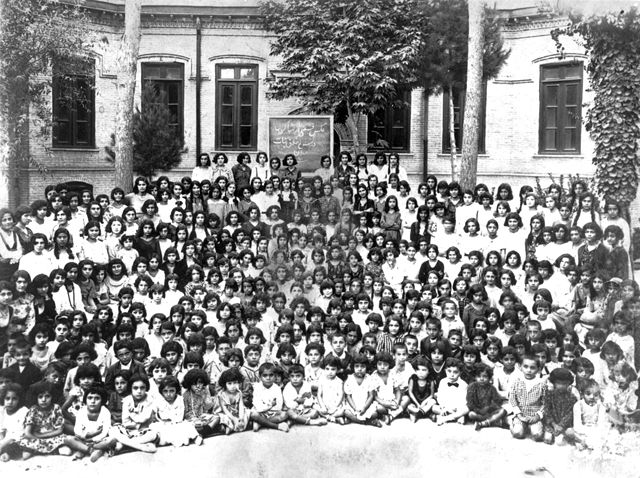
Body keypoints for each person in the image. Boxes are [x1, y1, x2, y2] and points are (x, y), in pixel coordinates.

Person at [250, 362, 289, 432]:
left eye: (271, 375)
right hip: (261, 413)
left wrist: (270, 408)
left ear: (275, 376)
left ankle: (261, 423)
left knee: (285, 414)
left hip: (273, 413)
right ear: (260, 377)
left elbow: (278, 406)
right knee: (253, 414)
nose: (268, 378)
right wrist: (270, 405)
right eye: (265, 375)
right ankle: (276, 426)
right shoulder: (257, 388)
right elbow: (258, 406)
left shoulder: (277, 388)